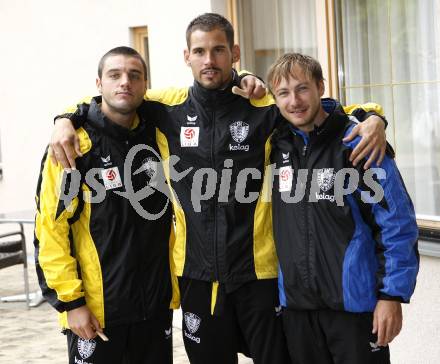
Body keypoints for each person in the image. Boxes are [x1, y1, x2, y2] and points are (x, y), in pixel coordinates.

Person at [50, 14, 388, 364]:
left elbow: (322, 110)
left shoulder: (263, 106)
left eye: (218, 50)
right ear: (187, 57)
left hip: (259, 276)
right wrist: (64, 119)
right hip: (197, 277)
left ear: (234, 52)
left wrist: (374, 117)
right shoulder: (166, 107)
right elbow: (112, 100)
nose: (209, 60)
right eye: (200, 51)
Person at [267, 53, 419, 364]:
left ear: (321, 87)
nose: (294, 101)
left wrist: (391, 296)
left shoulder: (358, 142)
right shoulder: (276, 143)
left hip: (355, 310)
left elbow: (397, 223)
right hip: (298, 311)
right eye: (283, 93)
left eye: (302, 88)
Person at [34, 46, 177, 364]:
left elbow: (203, 91)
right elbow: (52, 231)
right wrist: (72, 304)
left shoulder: (158, 134)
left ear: (144, 85)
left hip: (153, 309)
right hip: (97, 313)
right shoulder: (74, 147)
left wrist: (244, 76)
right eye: (115, 75)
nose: (125, 82)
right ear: (99, 84)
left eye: (134, 75)